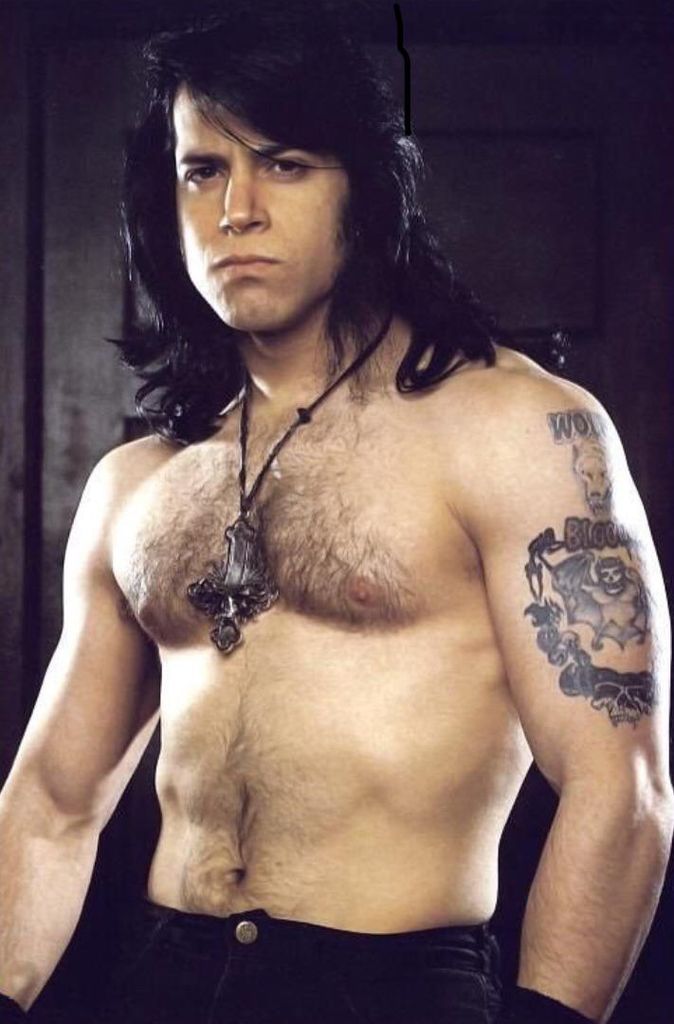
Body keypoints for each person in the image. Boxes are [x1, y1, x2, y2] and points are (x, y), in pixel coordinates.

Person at [0, 2, 672, 1022]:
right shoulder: (138, 482)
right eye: (202, 170)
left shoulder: (515, 429)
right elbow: (52, 801)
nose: (236, 210)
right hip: (161, 976)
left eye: (283, 164)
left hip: (390, 984)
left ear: (362, 189)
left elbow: (619, 790)